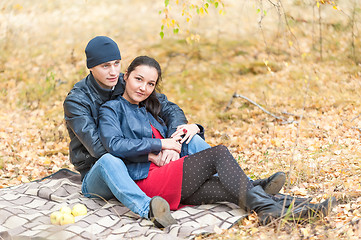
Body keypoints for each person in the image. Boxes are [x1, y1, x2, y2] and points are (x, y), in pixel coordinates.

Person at [63, 36, 286, 228]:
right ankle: (148, 209)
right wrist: (151, 151)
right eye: (105, 66)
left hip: (136, 163)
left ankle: (250, 186)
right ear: (90, 67)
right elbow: (101, 148)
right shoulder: (77, 101)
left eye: (116, 64)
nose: (112, 71)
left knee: (191, 138)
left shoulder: (127, 83)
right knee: (110, 160)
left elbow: (169, 109)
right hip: (98, 172)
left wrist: (176, 137)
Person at [98, 55, 335, 226]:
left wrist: (187, 131)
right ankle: (268, 209)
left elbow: (175, 114)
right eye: (139, 80)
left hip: (174, 178)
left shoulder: (152, 105)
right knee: (219, 154)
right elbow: (114, 145)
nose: (144, 88)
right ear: (125, 76)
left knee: (233, 188)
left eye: (150, 84)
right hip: (149, 179)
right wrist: (161, 145)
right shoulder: (111, 109)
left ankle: (301, 209)